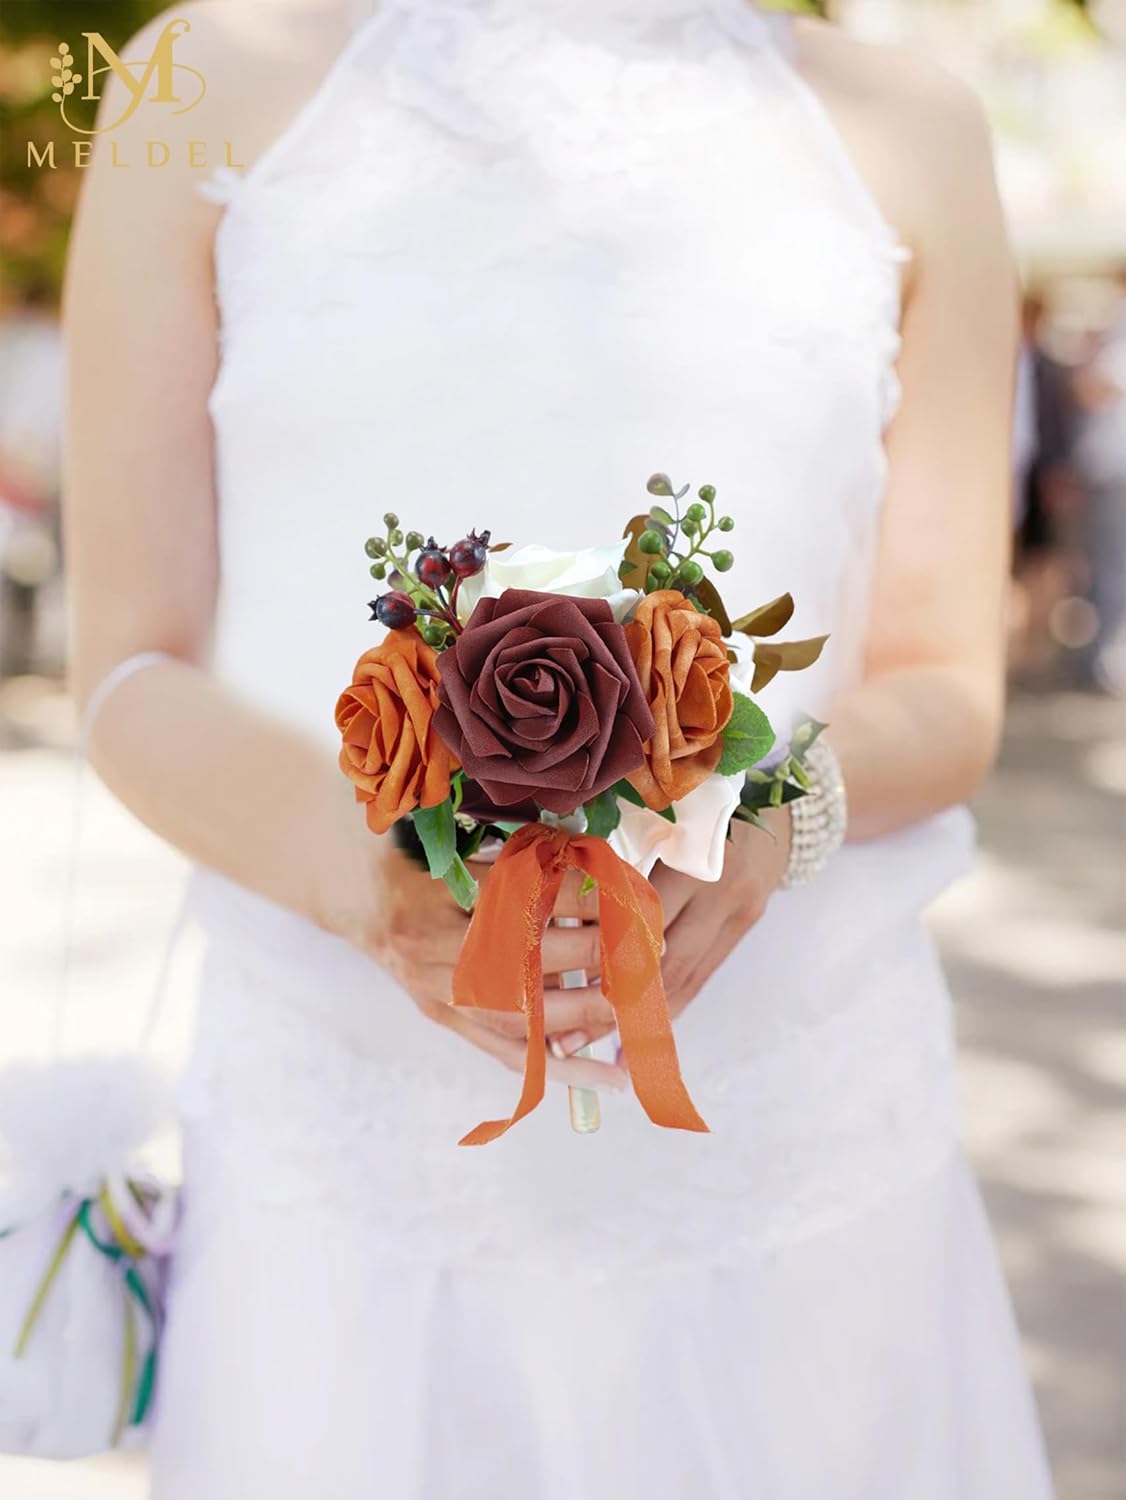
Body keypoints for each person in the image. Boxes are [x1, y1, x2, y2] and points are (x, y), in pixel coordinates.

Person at [64, 1, 1054, 1495]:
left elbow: (940, 677)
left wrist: (774, 814)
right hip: (345, 1148)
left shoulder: (905, 122)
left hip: (794, 1133)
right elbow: (129, 663)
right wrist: (371, 879)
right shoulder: (206, 76)